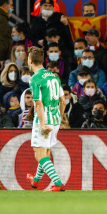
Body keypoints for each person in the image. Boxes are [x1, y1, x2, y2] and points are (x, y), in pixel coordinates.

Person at [25, 47, 67, 192]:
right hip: (55, 118)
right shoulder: (54, 77)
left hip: (44, 118)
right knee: (46, 152)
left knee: (39, 154)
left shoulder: (35, 79)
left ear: (30, 61)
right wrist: (59, 119)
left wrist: (42, 123)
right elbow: (63, 101)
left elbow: (38, 103)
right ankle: (35, 181)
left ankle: (58, 183)